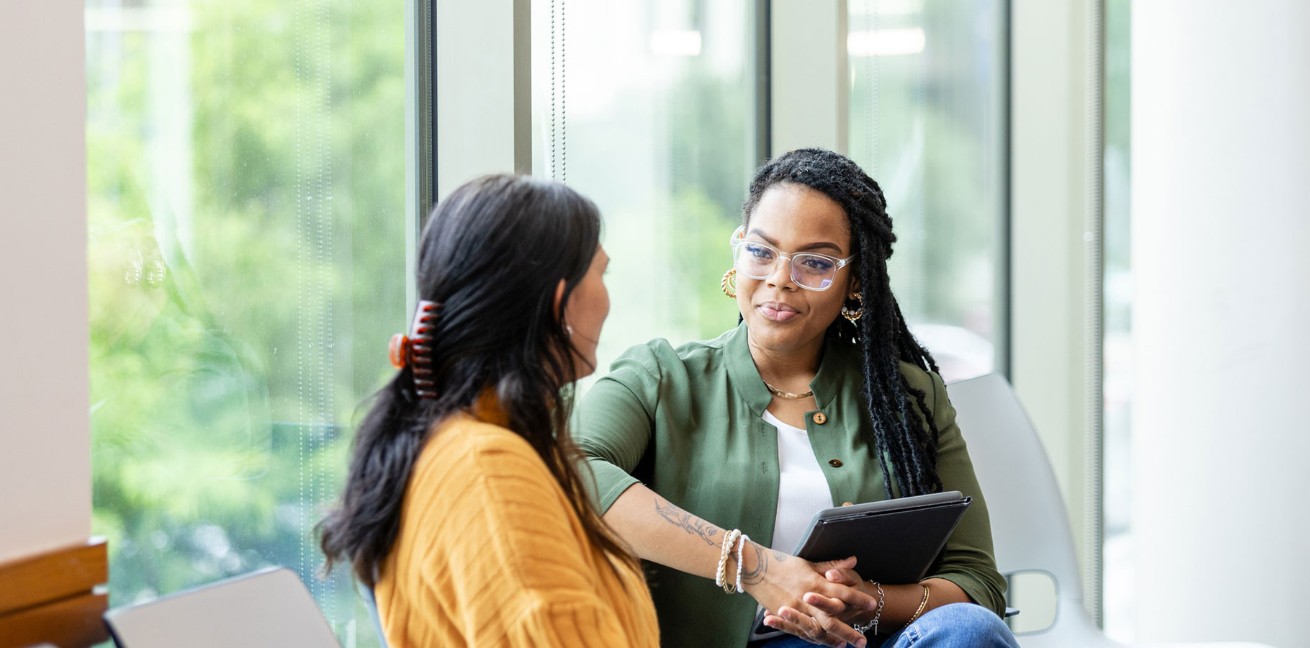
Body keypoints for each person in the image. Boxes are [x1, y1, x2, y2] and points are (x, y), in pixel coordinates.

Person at [574, 149, 1018, 648]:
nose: (780, 278)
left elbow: (976, 581)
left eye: (815, 263)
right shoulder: (660, 378)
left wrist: (872, 600)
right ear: (738, 252)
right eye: (761, 251)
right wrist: (755, 567)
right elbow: (571, 470)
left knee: (970, 631)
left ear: (853, 282)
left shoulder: (910, 396)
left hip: (871, 641)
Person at [318, 174, 659, 647]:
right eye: (602, 273)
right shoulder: (487, 470)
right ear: (560, 302)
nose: (608, 298)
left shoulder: (472, 444)